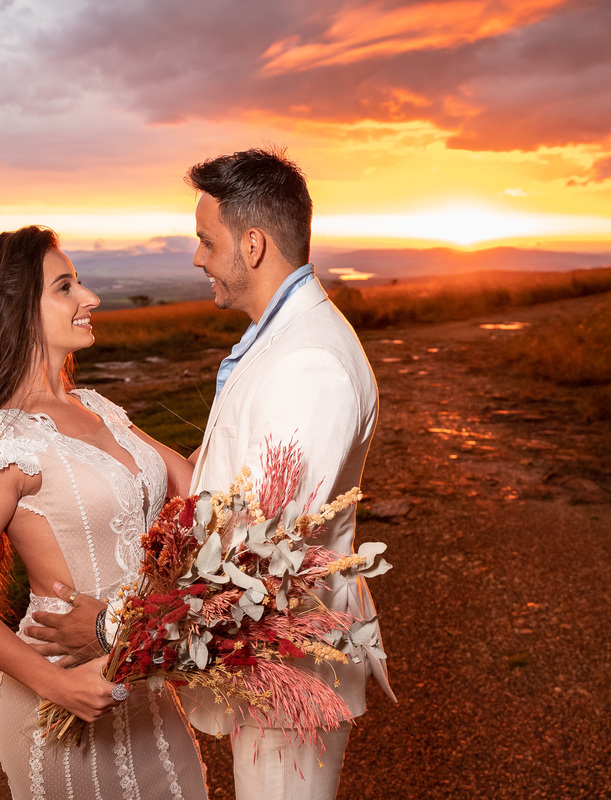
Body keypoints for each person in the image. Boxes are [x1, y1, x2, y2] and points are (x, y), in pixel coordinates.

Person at [0, 226, 208, 800]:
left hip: (145, 682)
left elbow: (195, 486)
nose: (90, 298)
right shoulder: (0, 441)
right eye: (66, 287)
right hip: (63, 698)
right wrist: (57, 686)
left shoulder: (98, 408)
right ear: (15, 310)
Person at [178, 147, 395, 799]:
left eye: (204, 241)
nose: (196, 258)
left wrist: (117, 628)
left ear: (251, 244)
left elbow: (266, 561)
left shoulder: (308, 365)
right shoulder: (278, 341)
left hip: (287, 668)